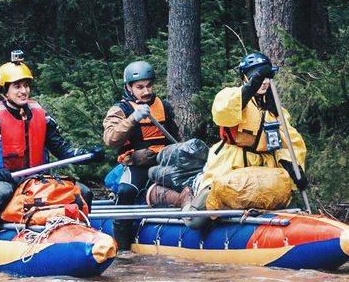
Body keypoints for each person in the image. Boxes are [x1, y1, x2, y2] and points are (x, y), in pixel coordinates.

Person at [0, 54, 100, 270]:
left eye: (26, 85)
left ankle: (75, 237)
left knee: (83, 191)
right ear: (4, 90)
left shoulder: (40, 115)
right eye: (17, 86)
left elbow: (63, 149)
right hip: (8, 180)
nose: (23, 91)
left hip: (37, 181)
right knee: (1, 192)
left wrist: (87, 155)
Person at [194, 51, 308, 213]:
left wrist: (294, 168)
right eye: (257, 77)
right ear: (246, 78)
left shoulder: (276, 111)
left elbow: (289, 143)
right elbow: (223, 112)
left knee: (288, 204)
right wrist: (252, 85)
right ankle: (192, 200)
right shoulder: (233, 97)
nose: (264, 82)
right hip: (232, 165)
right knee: (199, 216)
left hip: (264, 172)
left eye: (266, 77)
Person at [100, 59, 180, 203]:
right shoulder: (120, 110)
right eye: (140, 87)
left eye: (149, 86)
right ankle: (122, 224)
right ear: (129, 87)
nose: (146, 91)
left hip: (163, 163)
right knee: (126, 191)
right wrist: (133, 118)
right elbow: (110, 140)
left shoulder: (164, 107)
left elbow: (176, 139)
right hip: (137, 165)